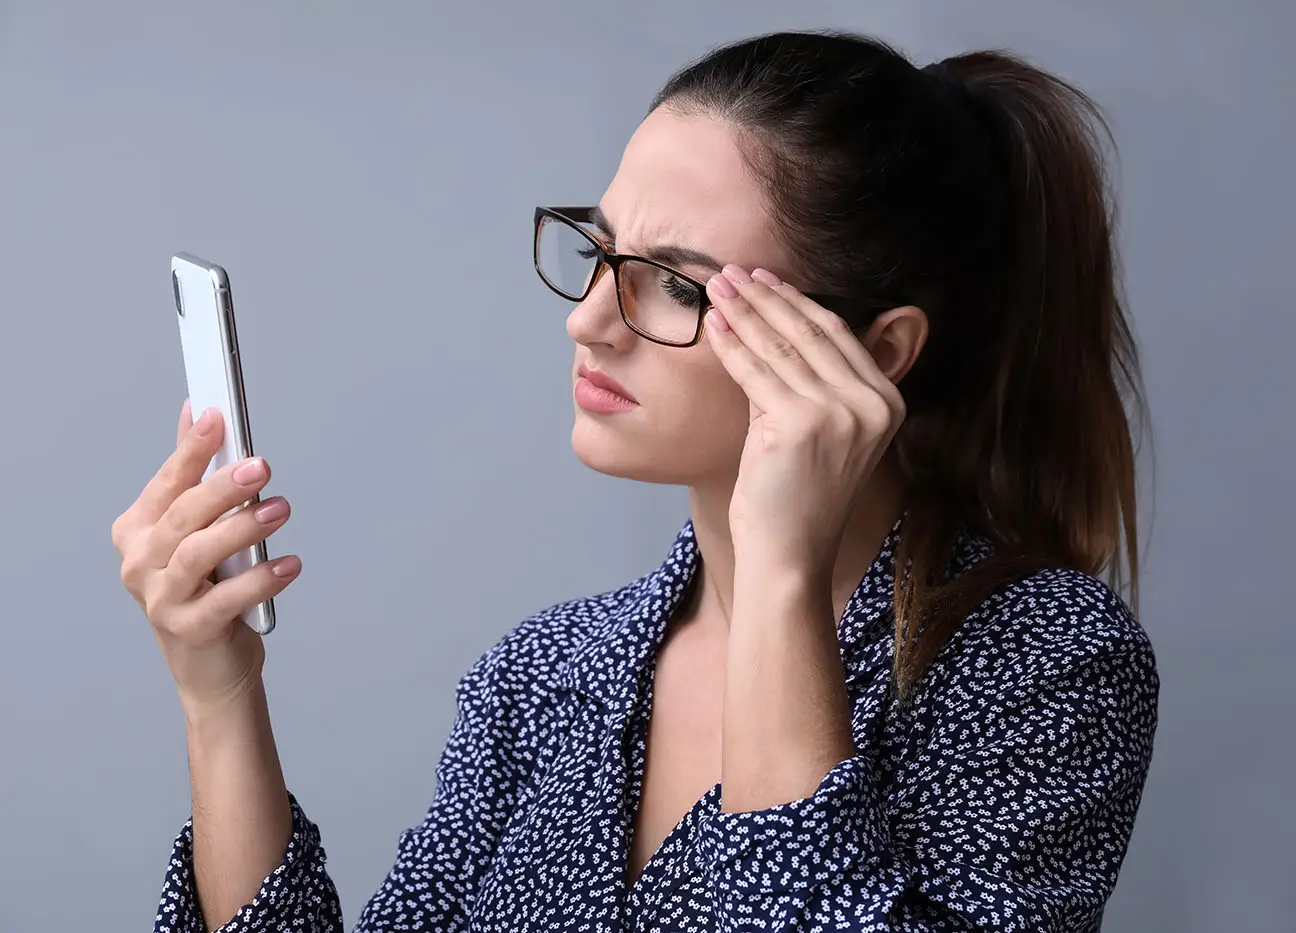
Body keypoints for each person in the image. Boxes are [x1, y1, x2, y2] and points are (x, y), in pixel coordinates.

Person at [112, 29, 1158, 933]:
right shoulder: (543, 677)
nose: (588, 320)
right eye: (599, 251)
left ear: (877, 354)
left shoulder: (1043, 665)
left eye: (673, 283)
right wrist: (220, 698)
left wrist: (780, 572)